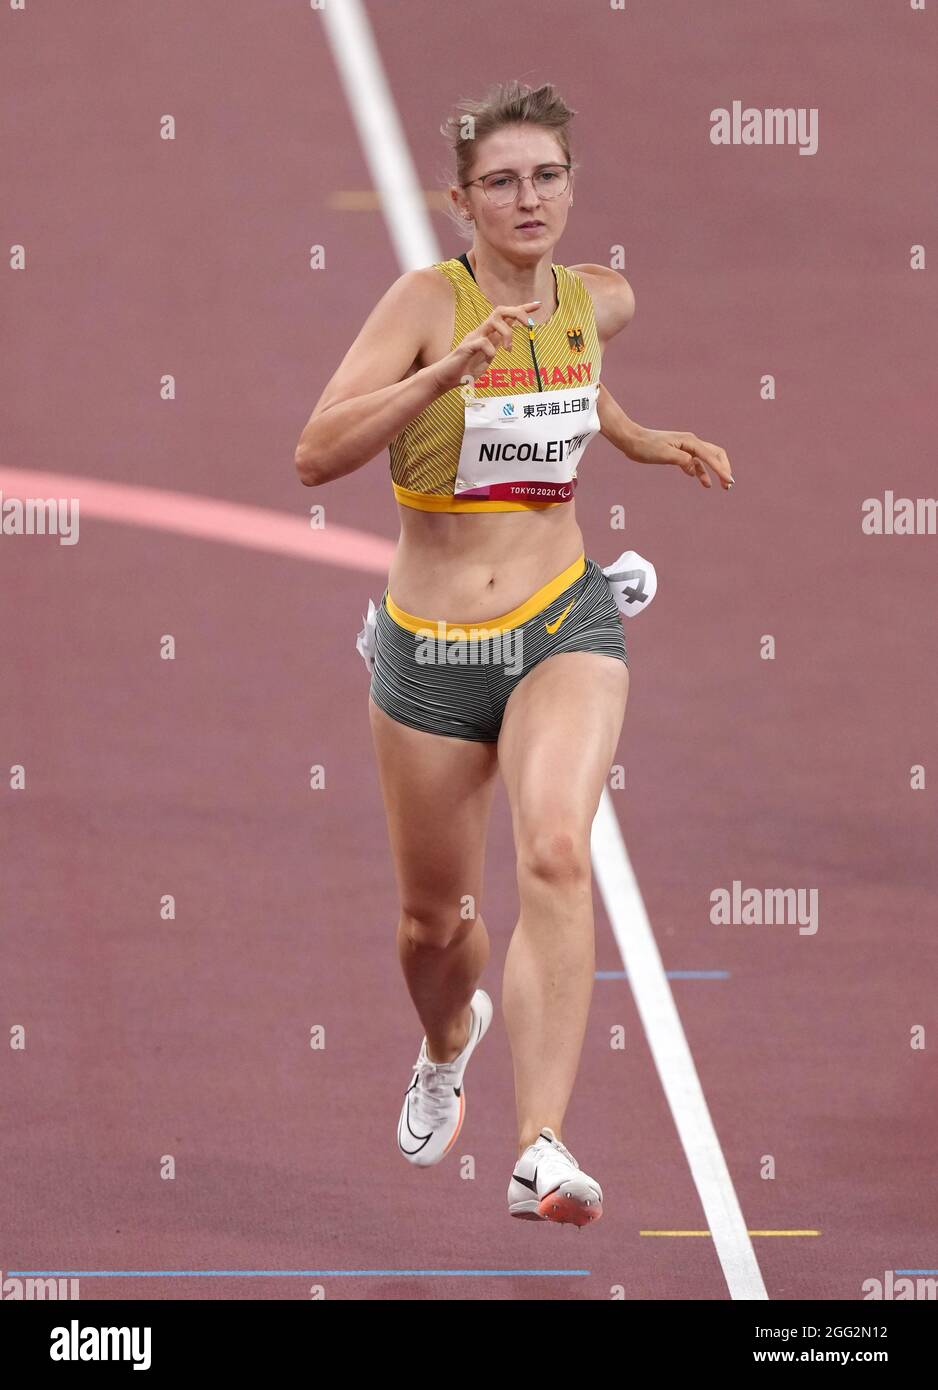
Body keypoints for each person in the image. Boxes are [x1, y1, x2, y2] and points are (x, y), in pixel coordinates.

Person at [294, 80, 733, 1227]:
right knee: (433, 927)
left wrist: (636, 438)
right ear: (460, 201)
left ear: (571, 189)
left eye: (545, 176)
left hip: (559, 621)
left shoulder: (596, 296)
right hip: (431, 649)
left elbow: (575, 364)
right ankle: (447, 1040)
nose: (526, 197)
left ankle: (537, 1144)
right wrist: (442, 372)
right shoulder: (421, 305)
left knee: (554, 849)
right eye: (501, 181)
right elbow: (312, 453)